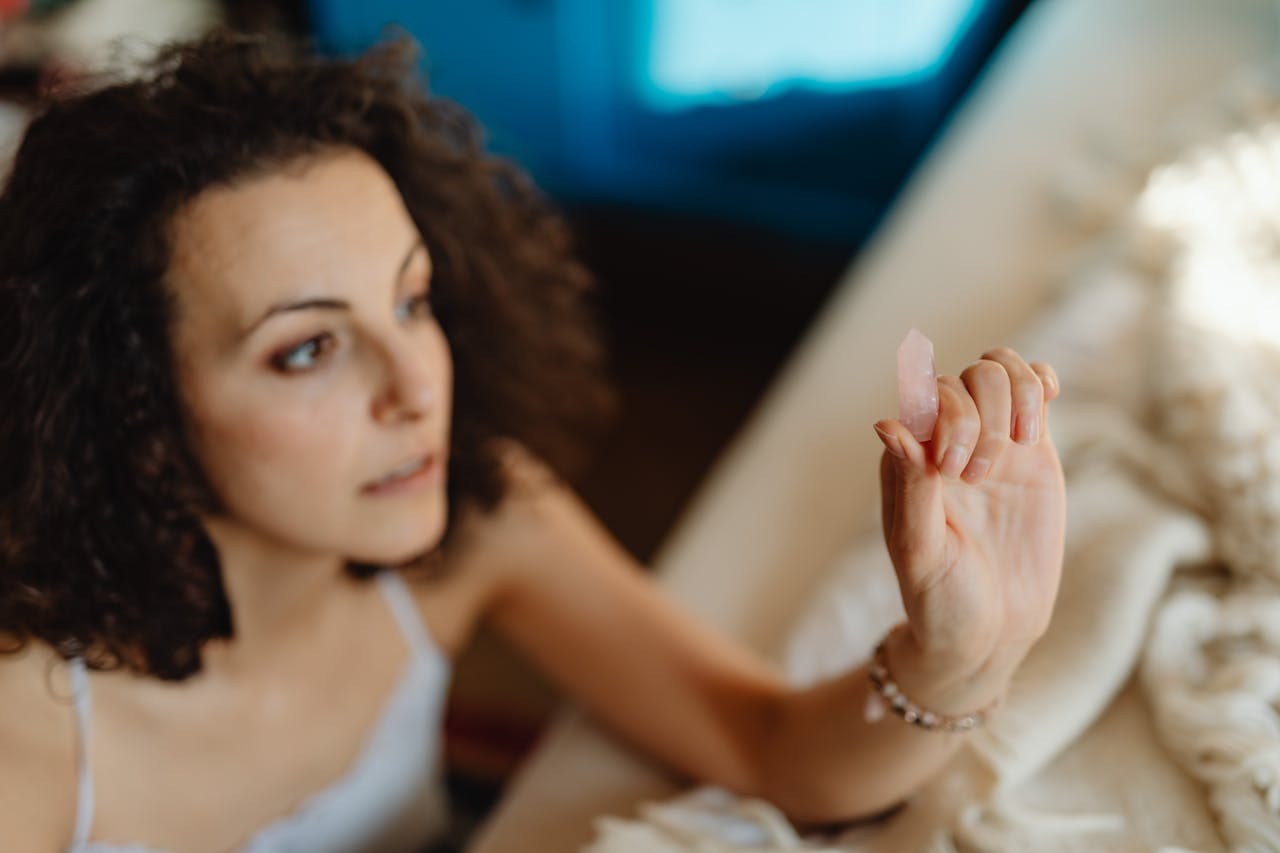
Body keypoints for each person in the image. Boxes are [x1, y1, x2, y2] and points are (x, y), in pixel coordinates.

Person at [0, 29, 1066, 853]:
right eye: (307, 350)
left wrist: (961, 654)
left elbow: (769, 746)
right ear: (129, 406)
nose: (419, 385)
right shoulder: (30, 731)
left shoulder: (474, 515)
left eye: (413, 303)